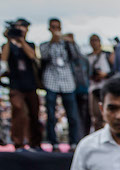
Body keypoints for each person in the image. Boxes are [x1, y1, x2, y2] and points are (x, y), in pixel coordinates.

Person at [40, 18, 82, 149]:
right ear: (49, 29)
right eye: (53, 27)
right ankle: (53, 142)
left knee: (72, 115)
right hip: (51, 80)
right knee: (51, 115)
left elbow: (77, 57)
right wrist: (53, 40)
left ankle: (74, 142)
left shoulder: (67, 44)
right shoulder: (45, 44)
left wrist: (72, 42)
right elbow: (44, 56)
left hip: (68, 81)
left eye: (57, 27)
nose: (55, 30)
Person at [1, 18, 42, 151]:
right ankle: (18, 143)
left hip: (30, 84)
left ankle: (35, 143)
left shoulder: (29, 44)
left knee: (34, 114)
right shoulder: (8, 46)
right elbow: (3, 60)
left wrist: (21, 40)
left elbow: (32, 56)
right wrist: (9, 39)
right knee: (19, 113)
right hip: (15, 85)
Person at [87, 34, 114, 132]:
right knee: (96, 115)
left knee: (108, 113)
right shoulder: (88, 57)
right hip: (93, 88)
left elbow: (114, 70)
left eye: (96, 40)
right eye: (92, 40)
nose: (94, 43)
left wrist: (105, 75)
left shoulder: (106, 55)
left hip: (106, 87)